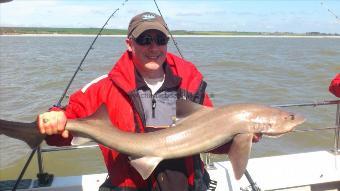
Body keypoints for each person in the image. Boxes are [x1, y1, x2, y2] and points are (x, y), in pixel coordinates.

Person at [38, 12, 259, 191]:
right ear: (129, 44)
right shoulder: (104, 88)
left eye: (160, 40)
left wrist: (238, 139)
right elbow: (61, 132)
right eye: (145, 40)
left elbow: (212, 139)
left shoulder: (190, 81)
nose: (154, 48)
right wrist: (55, 118)